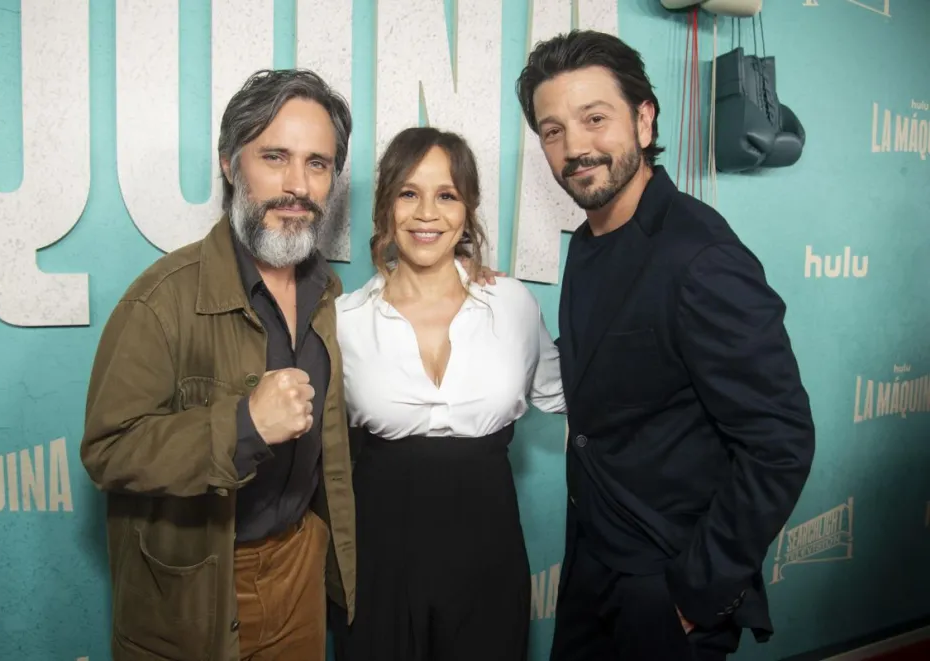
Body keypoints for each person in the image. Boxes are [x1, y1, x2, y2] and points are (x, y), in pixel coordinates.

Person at [515, 30, 816, 660]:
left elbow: (779, 441)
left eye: (595, 118)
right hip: (593, 563)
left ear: (644, 119)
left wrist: (692, 595)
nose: (575, 148)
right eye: (552, 130)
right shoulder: (590, 239)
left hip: (668, 583)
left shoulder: (699, 256)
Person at [80, 68, 357, 661]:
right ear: (231, 166)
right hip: (200, 585)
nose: (296, 184)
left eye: (318, 163)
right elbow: (108, 450)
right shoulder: (160, 300)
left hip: (298, 567)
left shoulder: (329, 295)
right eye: (274, 157)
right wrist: (243, 425)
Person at [327, 126, 566, 661]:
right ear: (386, 205)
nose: (427, 214)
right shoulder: (343, 322)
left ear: (468, 209)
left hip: (488, 547)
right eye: (409, 193)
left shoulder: (511, 304)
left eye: (447, 195)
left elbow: (573, 393)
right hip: (377, 553)